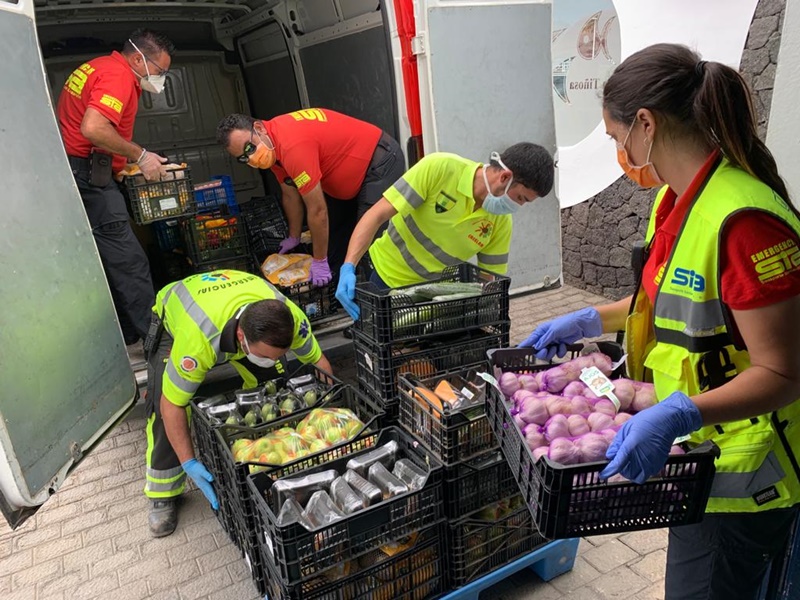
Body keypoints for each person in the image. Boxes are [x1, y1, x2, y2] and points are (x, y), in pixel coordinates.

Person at [521, 43, 800, 599]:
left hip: (748, 477)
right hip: (701, 459)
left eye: (614, 138)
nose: (618, 152)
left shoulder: (742, 221)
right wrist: (588, 319)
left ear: (644, 125)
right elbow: (665, 302)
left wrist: (680, 411)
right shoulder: (674, 202)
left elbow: (785, 371)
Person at [142, 268, 332, 537]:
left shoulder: (292, 320)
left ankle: (266, 464)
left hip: (234, 300)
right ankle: (164, 493)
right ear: (242, 338)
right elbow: (171, 405)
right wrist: (189, 462)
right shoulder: (197, 343)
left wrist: (329, 414)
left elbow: (319, 363)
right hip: (180, 313)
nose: (276, 358)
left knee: (272, 392)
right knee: (164, 407)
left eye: (282, 353)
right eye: (268, 355)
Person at [334, 144, 555, 319]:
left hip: (431, 296)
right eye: (520, 198)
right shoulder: (439, 168)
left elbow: (491, 281)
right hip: (384, 279)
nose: (518, 207)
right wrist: (348, 266)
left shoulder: (500, 222)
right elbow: (376, 215)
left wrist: (487, 311)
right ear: (505, 177)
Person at [56, 29, 175, 345]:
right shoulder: (118, 76)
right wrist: (142, 155)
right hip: (88, 177)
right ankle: (157, 343)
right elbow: (93, 128)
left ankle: (127, 333)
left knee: (108, 257)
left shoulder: (97, 67)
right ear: (138, 58)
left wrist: (121, 169)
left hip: (89, 171)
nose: (160, 79)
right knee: (128, 260)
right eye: (160, 71)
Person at [216, 110, 405, 286]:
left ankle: (381, 307)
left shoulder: (291, 146)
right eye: (243, 158)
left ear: (258, 128)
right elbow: (290, 194)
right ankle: (344, 296)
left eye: (250, 148)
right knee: (336, 241)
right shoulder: (270, 146)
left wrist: (319, 261)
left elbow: (317, 211)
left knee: (368, 245)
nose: (251, 158)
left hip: (379, 162)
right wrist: (294, 236)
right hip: (345, 179)